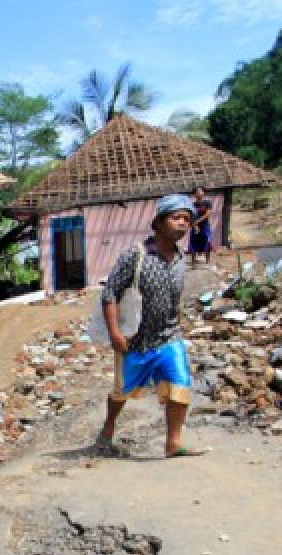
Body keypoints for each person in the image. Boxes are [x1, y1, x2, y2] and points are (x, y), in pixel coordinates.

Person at [95, 193, 206, 458]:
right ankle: (108, 428)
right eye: (175, 217)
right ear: (157, 223)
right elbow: (109, 293)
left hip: (169, 337)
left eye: (186, 219)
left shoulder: (181, 258)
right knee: (121, 391)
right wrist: (114, 333)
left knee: (180, 385)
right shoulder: (136, 255)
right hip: (135, 340)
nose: (182, 223)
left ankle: (173, 442)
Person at [188, 187, 213, 265]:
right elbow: (190, 216)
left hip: (205, 226)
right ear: (194, 194)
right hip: (195, 227)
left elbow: (208, 214)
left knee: (207, 242)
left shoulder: (207, 203)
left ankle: (207, 261)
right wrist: (194, 225)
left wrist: (197, 222)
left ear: (203, 193)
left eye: (200, 191)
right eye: (197, 192)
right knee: (193, 243)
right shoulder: (192, 204)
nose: (199, 193)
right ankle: (193, 262)